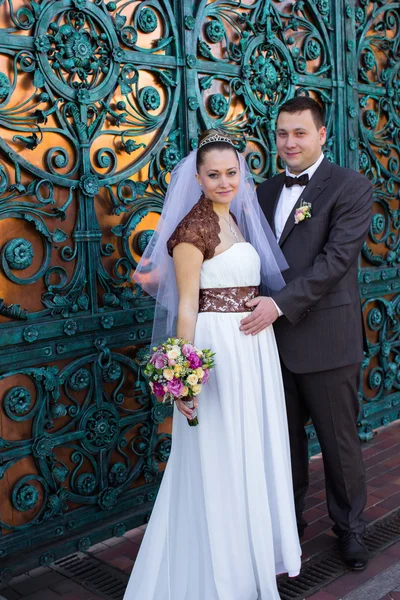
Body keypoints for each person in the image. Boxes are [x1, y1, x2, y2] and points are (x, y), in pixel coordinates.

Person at [123, 130, 301, 600]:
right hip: (216, 353)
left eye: (231, 173)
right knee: (217, 454)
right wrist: (183, 377)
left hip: (252, 351)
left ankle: (245, 559)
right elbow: (186, 308)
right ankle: (214, 571)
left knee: (247, 449)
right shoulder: (191, 230)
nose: (224, 182)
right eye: (214, 175)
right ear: (197, 178)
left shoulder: (239, 219)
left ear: (241, 174)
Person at [241, 97, 373, 571]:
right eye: (281, 134)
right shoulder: (262, 191)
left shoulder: (352, 187)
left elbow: (334, 262)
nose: (289, 142)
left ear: (321, 135)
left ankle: (351, 531)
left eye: (299, 133)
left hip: (325, 339)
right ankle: (286, 532)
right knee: (283, 448)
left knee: (338, 447)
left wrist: (279, 305)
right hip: (269, 345)